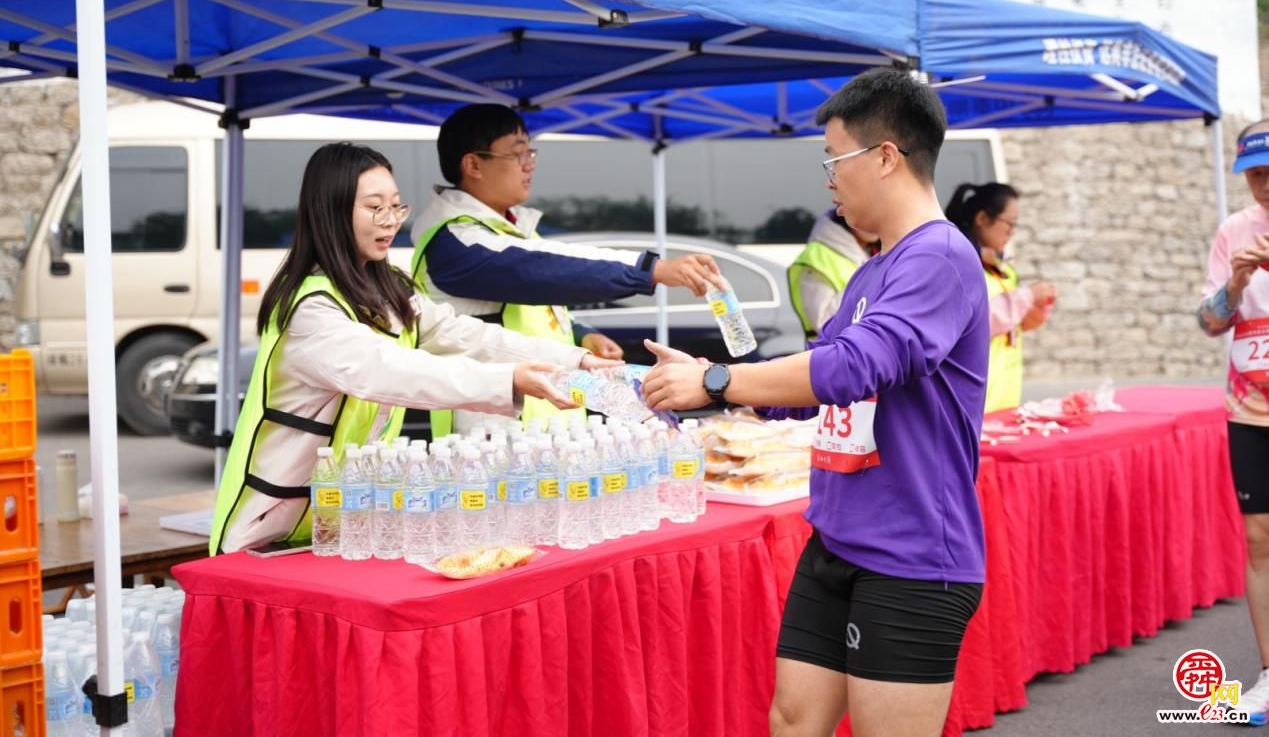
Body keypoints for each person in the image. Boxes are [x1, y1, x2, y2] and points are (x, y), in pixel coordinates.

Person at [642, 67, 988, 737]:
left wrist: (717, 384)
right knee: (793, 720)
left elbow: (859, 364)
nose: (827, 177)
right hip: (836, 540)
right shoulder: (870, 268)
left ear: (885, 156)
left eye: (834, 159)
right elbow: (813, 388)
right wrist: (715, 380)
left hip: (911, 556)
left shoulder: (941, 255)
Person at [209, 142, 615, 554]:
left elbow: (466, 335)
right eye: (374, 208)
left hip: (342, 520)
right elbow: (393, 370)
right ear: (331, 213)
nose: (389, 222)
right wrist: (508, 380)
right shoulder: (313, 309)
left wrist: (573, 358)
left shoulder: (389, 289)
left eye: (396, 207)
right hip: (272, 532)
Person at [411, 103, 720, 434]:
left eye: (531, 154)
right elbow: (541, 270)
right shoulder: (456, 239)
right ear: (473, 164)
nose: (529, 166)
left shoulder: (507, 230)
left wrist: (581, 334)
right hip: (493, 431)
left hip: (543, 421)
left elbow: (531, 306)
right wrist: (650, 269)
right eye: (517, 155)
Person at [1196, 120, 1269, 724]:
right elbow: (1209, 320)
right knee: (1259, 538)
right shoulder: (1234, 231)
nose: (1264, 184)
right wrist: (1237, 284)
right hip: (1249, 404)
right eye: (1255, 174)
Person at [944, 182, 1056, 413]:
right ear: (983, 218)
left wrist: (1037, 307)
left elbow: (1014, 325)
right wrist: (1025, 296)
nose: (1012, 232)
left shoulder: (1002, 268)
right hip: (974, 402)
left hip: (1005, 395)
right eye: (1009, 224)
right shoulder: (958, 264)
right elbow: (973, 323)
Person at [787, 209, 880, 340]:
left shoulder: (873, 252)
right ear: (844, 216)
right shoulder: (818, 255)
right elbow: (822, 321)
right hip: (829, 353)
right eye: (866, 215)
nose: (873, 223)